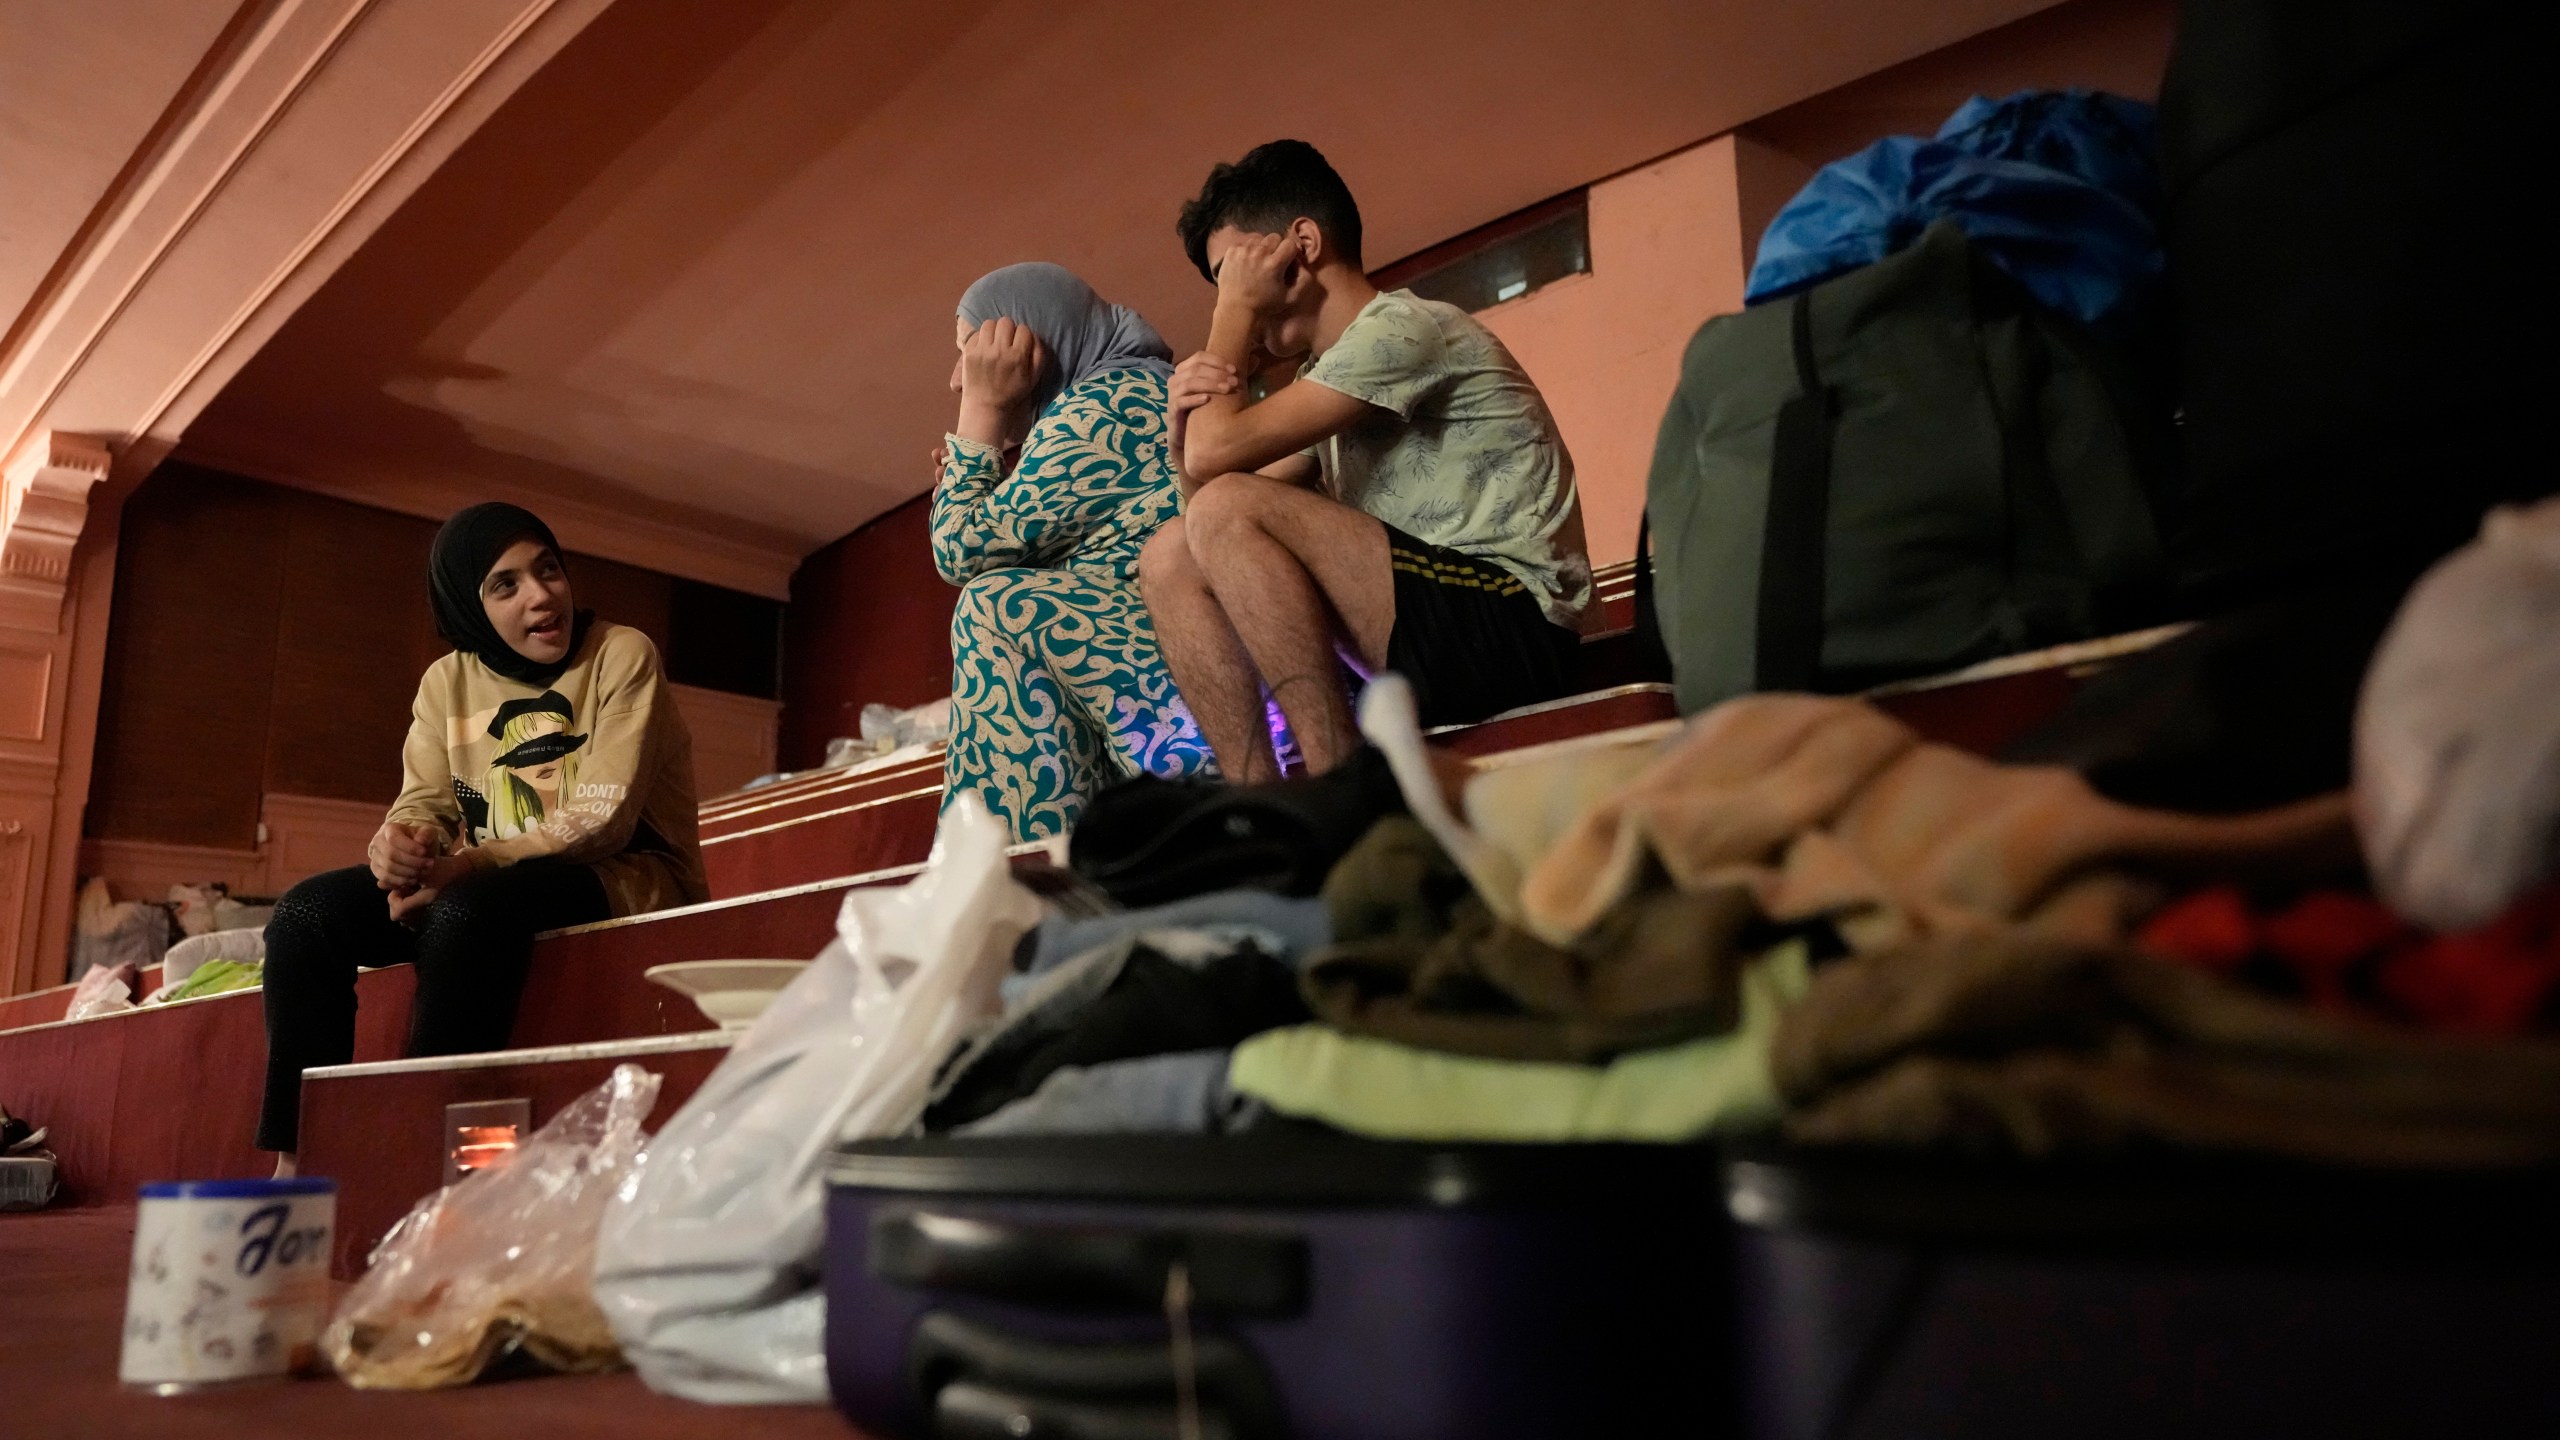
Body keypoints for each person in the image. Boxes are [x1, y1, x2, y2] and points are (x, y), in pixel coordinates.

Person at [256, 503, 705, 1167]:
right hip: (496, 876)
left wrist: (467, 867)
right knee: (304, 916)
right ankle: (301, 1161)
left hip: (625, 875)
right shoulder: (448, 681)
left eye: (548, 569)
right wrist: (399, 850)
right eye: (507, 584)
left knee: (465, 914)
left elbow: (602, 817)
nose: (542, 594)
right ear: (469, 607)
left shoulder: (621, 653)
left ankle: (445, 1159)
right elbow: (427, 801)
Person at [1141, 139, 1597, 784]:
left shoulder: (1405, 327)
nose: (1228, 293)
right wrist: (1179, 437)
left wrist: (1232, 315)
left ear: (1302, 243)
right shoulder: (1324, 377)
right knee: (1167, 554)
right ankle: (1257, 799)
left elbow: (1224, 471)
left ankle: (1336, 781)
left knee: (1225, 507)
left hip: (1514, 623)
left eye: (1231, 271)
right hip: (1430, 632)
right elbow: (1207, 515)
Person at [935, 262, 1214, 841]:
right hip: (1176, 680)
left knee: (993, 604)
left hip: (1196, 686)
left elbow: (961, 550)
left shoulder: (1111, 404)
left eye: (970, 348)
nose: (959, 378)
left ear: (1026, 348)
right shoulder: (1118, 396)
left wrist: (979, 422)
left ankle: (1020, 881)